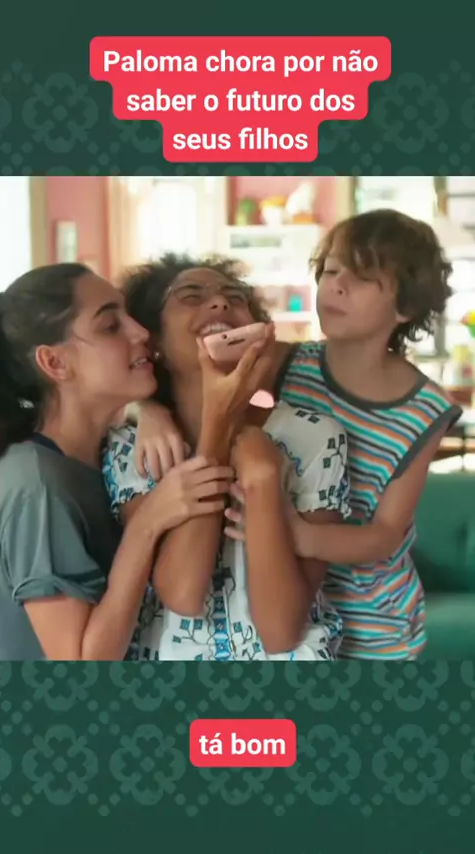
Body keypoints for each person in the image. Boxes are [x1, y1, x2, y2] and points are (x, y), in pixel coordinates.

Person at [135, 211, 462, 660]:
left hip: (373, 624)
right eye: (331, 271)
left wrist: (298, 535)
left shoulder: (427, 408)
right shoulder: (285, 361)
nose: (337, 286)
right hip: (287, 598)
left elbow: (386, 534)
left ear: (405, 307)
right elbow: (191, 381)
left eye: (361, 278)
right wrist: (146, 410)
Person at [102, 254, 351, 661]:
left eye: (235, 298)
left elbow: (281, 633)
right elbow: (183, 594)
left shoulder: (315, 437)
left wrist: (263, 478)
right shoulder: (133, 447)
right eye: (191, 296)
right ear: (155, 343)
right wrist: (216, 430)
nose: (220, 303)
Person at [0, 263, 241, 661]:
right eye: (110, 327)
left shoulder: (102, 454)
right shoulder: (35, 486)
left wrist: (147, 408)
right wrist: (147, 524)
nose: (140, 332)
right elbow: (81, 668)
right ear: (55, 363)